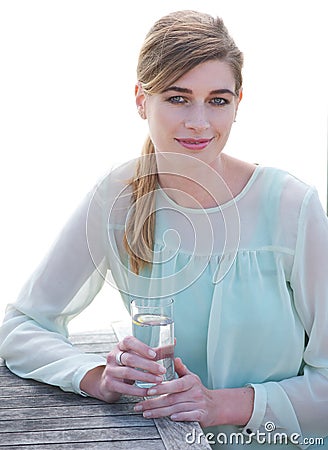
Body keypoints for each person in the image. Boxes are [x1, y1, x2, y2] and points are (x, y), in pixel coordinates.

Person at [0, 9, 327, 449]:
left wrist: (221, 405)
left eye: (218, 100)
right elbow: (22, 326)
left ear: (238, 103)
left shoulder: (292, 207)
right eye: (177, 98)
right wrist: (98, 376)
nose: (199, 121)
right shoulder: (117, 197)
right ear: (141, 100)